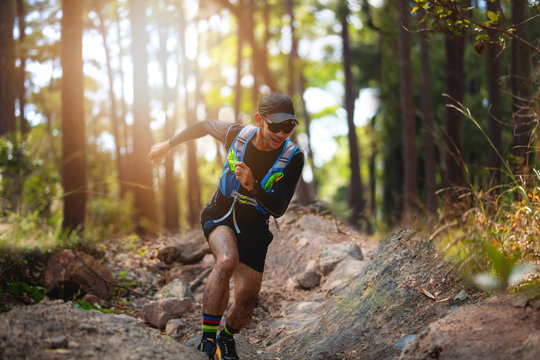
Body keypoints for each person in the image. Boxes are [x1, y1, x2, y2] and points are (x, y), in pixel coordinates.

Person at [147, 93, 304, 360]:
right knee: (227, 260)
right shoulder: (237, 134)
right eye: (275, 126)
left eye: (287, 127)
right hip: (220, 215)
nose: (281, 133)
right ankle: (207, 340)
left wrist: (253, 186)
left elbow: (278, 208)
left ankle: (225, 338)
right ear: (259, 120)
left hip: (254, 229)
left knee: (245, 304)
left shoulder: (293, 157)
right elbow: (205, 125)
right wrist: (169, 143)